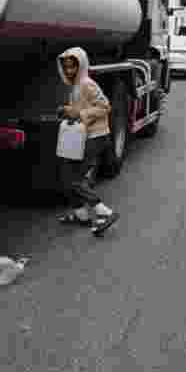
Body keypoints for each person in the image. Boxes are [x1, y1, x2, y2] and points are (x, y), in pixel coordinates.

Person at [56, 47, 120, 236]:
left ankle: (105, 212)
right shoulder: (76, 85)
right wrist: (67, 110)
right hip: (84, 135)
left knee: (73, 178)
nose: (69, 71)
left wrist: (80, 114)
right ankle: (81, 214)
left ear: (81, 65)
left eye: (72, 67)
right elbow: (81, 107)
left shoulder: (86, 84)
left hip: (96, 136)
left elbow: (105, 106)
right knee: (67, 175)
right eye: (66, 67)